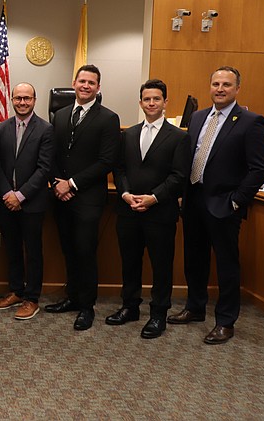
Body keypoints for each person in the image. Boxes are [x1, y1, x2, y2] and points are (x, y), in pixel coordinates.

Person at [168, 66, 264, 344]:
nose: (220, 89)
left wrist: (237, 201)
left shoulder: (251, 121)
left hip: (225, 205)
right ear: (210, 87)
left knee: (226, 265)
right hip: (193, 200)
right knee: (194, 258)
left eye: (226, 84)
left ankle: (226, 321)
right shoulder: (199, 117)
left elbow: (260, 168)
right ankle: (195, 307)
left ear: (237, 88)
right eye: (215, 84)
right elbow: (191, 156)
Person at [108, 79, 190, 338]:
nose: (151, 103)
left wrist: (154, 197)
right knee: (129, 262)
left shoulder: (179, 137)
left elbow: (179, 176)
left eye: (156, 99)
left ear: (165, 102)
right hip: (129, 210)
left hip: (160, 213)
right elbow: (119, 169)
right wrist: (124, 193)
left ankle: (158, 315)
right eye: (147, 99)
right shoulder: (128, 134)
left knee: (161, 266)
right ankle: (129, 306)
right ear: (140, 102)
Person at [46, 64, 120, 331]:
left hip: (88, 197)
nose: (86, 86)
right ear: (74, 83)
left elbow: (106, 161)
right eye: (82, 81)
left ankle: (87, 307)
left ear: (98, 88)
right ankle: (73, 298)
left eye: (92, 83)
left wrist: (72, 184)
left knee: (85, 251)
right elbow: (52, 154)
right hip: (60, 195)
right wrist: (57, 183)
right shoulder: (60, 115)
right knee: (68, 249)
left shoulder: (108, 119)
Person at [0, 83, 54, 321]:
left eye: (27, 98)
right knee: (12, 248)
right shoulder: (1, 128)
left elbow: (44, 168)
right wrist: (8, 192)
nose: (22, 102)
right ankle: (16, 291)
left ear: (35, 100)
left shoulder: (46, 129)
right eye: (18, 98)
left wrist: (21, 195)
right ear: (12, 100)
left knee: (33, 251)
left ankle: (32, 298)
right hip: (6, 200)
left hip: (32, 202)